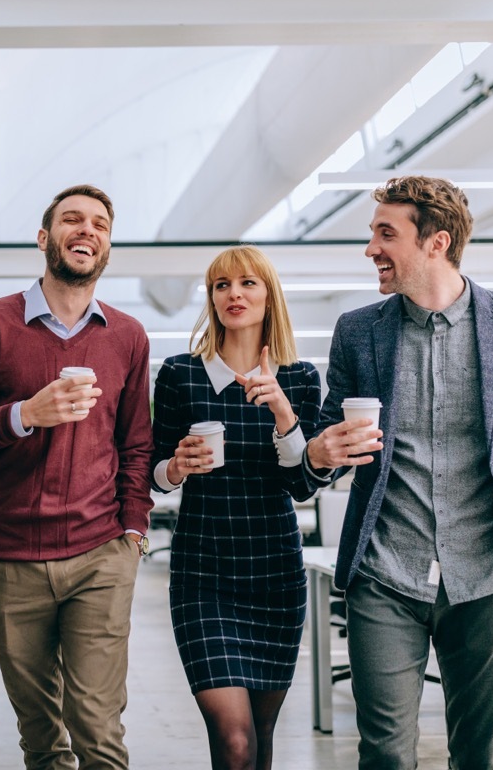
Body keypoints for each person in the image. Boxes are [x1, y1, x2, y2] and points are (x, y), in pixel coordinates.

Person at [303, 175, 493, 770]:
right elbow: (329, 445)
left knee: (479, 756)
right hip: (385, 570)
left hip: (491, 573)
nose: (371, 248)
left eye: (386, 234)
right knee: (384, 754)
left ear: (437, 242)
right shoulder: (358, 331)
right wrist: (319, 455)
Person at [0, 184, 153, 770]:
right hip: (10, 560)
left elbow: (136, 445)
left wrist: (133, 530)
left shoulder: (127, 336)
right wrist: (23, 415)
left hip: (100, 554)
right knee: (41, 738)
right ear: (43, 238)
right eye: (72, 219)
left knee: (97, 729)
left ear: (107, 247)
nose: (87, 230)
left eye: (100, 224)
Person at [150, 245, 321, 770]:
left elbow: (303, 485)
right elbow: (152, 472)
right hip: (204, 574)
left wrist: (282, 409)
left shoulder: (300, 378)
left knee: (261, 737)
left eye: (248, 283)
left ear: (269, 296)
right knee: (235, 740)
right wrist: (176, 466)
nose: (234, 294)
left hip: (276, 573)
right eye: (221, 285)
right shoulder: (180, 374)